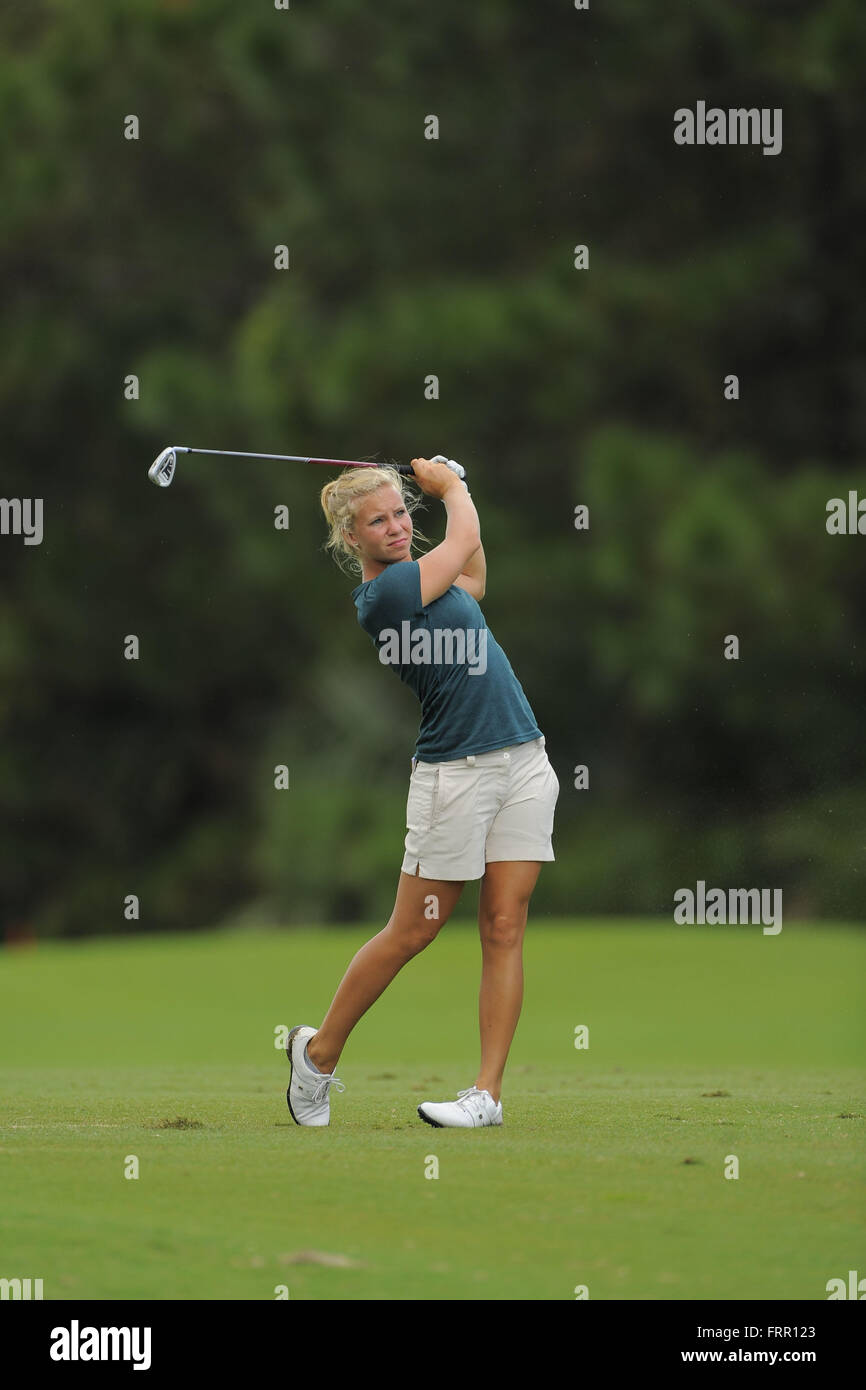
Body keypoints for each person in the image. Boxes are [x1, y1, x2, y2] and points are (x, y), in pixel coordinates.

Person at [286, 457, 559, 1128]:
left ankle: (487, 1095)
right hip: (454, 776)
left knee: (504, 927)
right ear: (352, 539)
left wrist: (454, 497)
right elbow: (460, 543)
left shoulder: (432, 582)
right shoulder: (385, 597)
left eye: (402, 513)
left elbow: (476, 575)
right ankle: (317, 1056)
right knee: (415, 929)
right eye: (377, 521)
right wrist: (456, 486)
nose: (397, 526)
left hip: (523, 759)